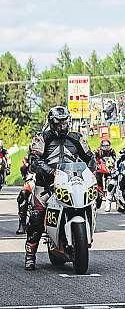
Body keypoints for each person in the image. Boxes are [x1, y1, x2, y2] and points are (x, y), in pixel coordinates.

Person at [25, 107, 96, 270]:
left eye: (65, 123)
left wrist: (91, 172)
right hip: (47, 185)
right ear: (51, 123)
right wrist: (49, 171)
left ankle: (83, 239)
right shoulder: (42, 138)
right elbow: (34, 161)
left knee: (91, 202)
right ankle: (30, 255)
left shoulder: (77, 138)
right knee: (37, 216)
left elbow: (89, 158)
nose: (61, 127)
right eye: (58, 124)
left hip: (72, 182)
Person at [16, 145, 34, 235]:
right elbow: (24, 168)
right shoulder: (31, 157)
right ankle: (22, 225)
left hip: (55, 181)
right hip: (35, 180)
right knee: (23, 195)